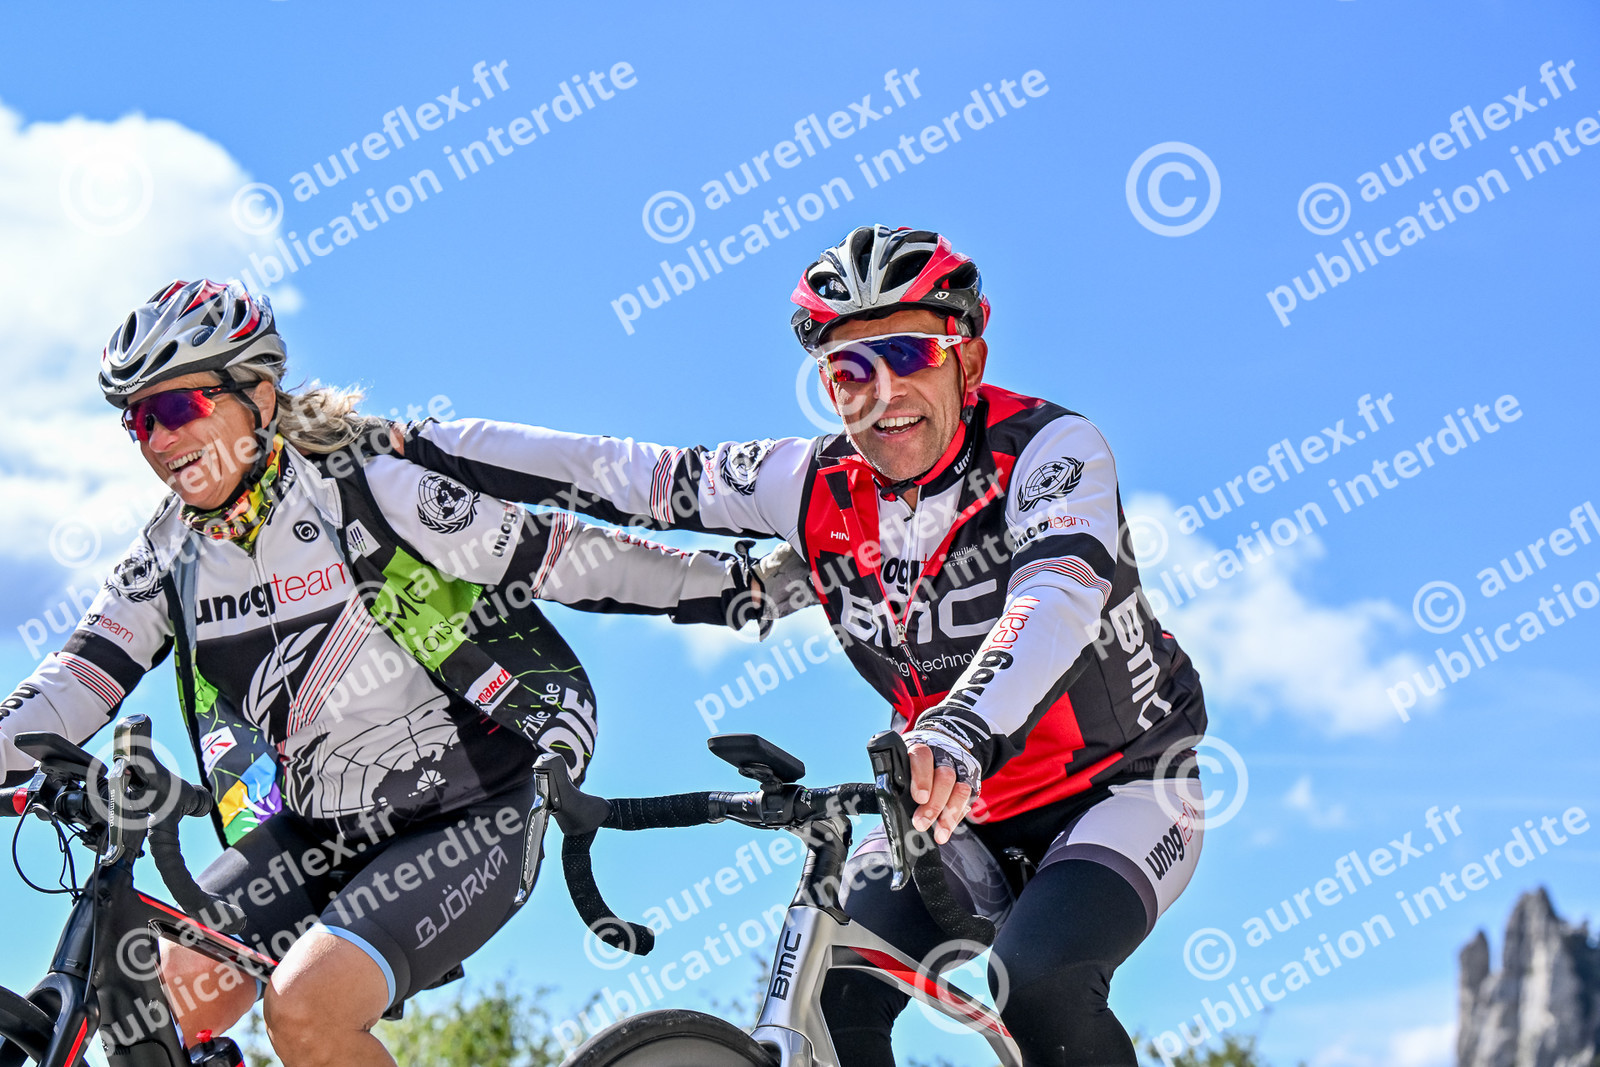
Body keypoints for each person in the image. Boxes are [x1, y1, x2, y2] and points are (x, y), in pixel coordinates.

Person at [397, 225, 1211, 1066]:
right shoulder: (807, 482)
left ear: (968, 361)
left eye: (910, 353)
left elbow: (1058, 596)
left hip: (1118, 786)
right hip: (945, 806)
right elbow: (631, 475)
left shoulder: (1048, 448)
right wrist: (416, 445)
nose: (884, 391)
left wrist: (958, 729)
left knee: (1036, 981)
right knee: (829, 987)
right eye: (851, 368)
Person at [0, 279, 780, 1067]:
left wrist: (740, 588)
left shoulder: (367, 487)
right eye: (139, 420)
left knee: (306, 1008)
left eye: (178, 407)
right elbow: (75, 679)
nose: (160, 439)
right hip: (314, 828)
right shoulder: (167, 554)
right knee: (154, 1005)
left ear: (259, 395)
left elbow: (567, 559)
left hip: (468, 814)